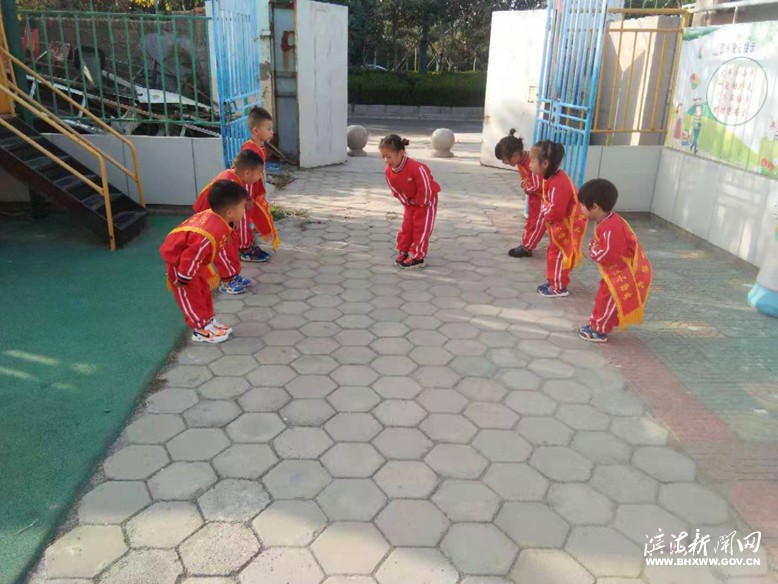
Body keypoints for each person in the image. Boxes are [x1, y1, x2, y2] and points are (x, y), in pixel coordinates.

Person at [160, 180, 249, 344]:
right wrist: (184, 278)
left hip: (196, 264)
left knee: (203, 291)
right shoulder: (208, 233)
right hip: (181, 266)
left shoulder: (220, 219)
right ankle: (200, 329)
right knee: (191, 296)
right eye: (244, 206)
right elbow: (191, 254)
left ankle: (209, 321)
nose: (246, 210)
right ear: (229, 212)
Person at [577, 178, 652, 342]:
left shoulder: (611, 227)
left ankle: (599, 330)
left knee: (609, 299)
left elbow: (609, 254)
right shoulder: (606, 221)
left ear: (595, 207)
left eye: (582, 205)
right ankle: (596, 323)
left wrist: (593, 251)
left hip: (624, 273)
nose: (580, 208)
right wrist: (595, 247)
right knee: (603, 297)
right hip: (617, 270)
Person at [193, 150, 264, 295]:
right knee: (223, 248)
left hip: (222, 216)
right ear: (247, 172)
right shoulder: (229, 181)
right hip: (212, 217)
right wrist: (228, 223)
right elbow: (221, 204)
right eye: (259, 173)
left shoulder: (235, 178)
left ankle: (233, 275)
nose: (260, 177)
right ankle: (226, 281)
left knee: (231, 245)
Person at [529, 140, 588, 298]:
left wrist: (544, 212)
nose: (529, 164)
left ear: (545, 163)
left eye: (532, 161)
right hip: (560, 224)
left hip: (567, 225)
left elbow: (556, 211)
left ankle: (558, 287)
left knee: (559, 254)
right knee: (554, 253)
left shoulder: (558, 182)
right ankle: (553, 280)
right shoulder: (551, 177)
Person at [380, 134, 441, 269]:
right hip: (410, 201)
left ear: (401, 153)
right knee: (407, 227)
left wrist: (420, 203)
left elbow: (425, 187)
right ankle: (404, 250)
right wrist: (406, 201)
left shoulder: (417, 168)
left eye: (389, 157)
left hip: (426, 201)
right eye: (383, 157)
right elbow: (395, 190)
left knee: (421, 228)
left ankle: (418, 257)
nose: (386, 160)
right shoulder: (388, 171)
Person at [495, 129, 543, 258]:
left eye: (504, 159)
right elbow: (525, 179)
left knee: (536, 224)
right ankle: (526, 245)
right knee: (531, 222)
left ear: (515, 155)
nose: (504, 162)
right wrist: (524, 185)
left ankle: (527, 247)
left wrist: (529, 188)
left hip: (542, 199)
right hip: (534, 198)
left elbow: (539, 183)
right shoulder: (521, 163)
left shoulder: (531, 162)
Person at [240, 106, 280, 261]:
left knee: (249, 217)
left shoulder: (259, 147)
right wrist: (248, 197)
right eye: (268, 129)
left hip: (251, 192)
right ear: (256, 131)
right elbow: (246, 176)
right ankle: (245, 249)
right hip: (244, 192)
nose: (272, 132)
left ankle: (247, 243)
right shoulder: (251, 151)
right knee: (243, 218)